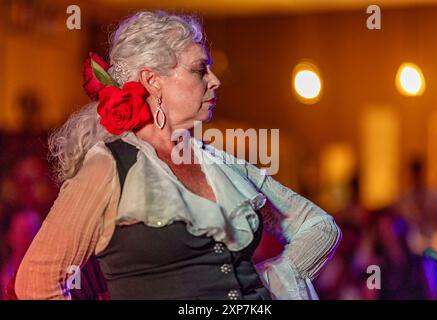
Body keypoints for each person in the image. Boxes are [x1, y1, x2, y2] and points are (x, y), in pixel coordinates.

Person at [14, 10, 341, 300]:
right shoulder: (109, 167)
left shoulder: (222, 166)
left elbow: (318, 226)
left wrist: (274, 281)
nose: (214, 81)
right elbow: (36, 283)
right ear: (152, 80)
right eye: (200, 70)